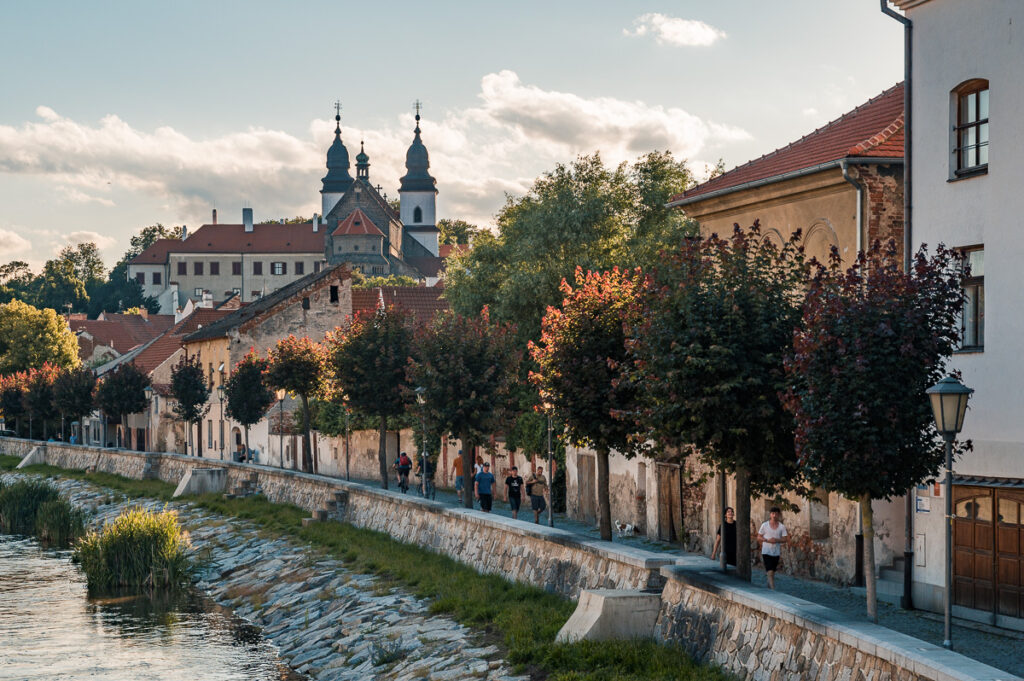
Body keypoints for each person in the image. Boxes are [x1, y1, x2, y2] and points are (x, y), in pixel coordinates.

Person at [757, 506, 789, 589]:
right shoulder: (764, 525)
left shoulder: (782, 526)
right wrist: (767, 540)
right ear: (770, 514)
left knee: (772, 572)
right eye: (773, 513)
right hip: (766, 551)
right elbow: (759, 537)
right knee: (770, 571)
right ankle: (773, 589)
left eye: (776, 514)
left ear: (778, 515)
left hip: (776, 552)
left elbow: (785, 539)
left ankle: (769, 586)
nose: (774, 515)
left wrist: (777, 540)